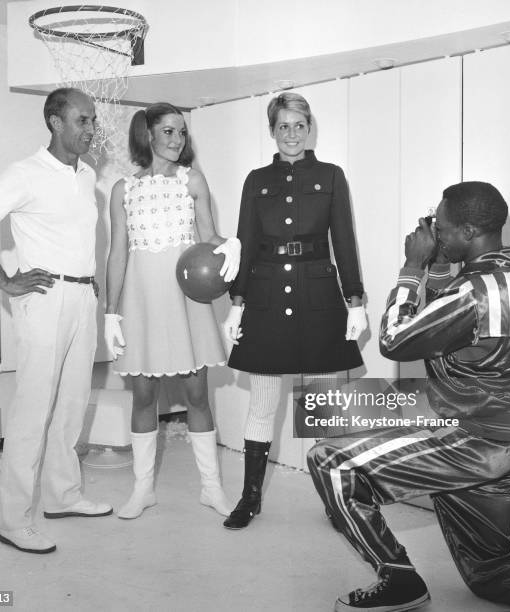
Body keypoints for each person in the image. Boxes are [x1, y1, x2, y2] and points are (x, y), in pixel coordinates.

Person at [307, 181, 510, 611]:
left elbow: (395, 341)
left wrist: (412, 267)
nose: (435, 231)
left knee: (331, 462)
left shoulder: (471, 294)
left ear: (471, 232)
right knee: (493, 575)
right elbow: (445, 327)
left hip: (474, 439)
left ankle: (400, 584)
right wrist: (440, 263)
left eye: (444, 226)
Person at [0, 88, 112, 555]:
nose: (91, 130)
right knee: (33, 410)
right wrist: (4, 280)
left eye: (92, 121)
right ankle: (13, 521)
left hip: (83, 295)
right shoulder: (25, 173)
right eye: (82, 121)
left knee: (72, 404)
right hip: (43, 299)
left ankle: (64, 496)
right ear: (55, 122)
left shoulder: (88, 178)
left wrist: (90, 284)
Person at [222, 92, 368, 529]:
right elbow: (244, 242)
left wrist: (355, 300)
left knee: (324, 406)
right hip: (267, 295)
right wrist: (236, 303)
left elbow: (343, 240)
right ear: (272, 131)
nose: (291, 134)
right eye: (282, 126)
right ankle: (250, 498)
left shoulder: (330, 175)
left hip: (319, 296)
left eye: (298, 125)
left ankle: (337, 500)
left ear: (310, 129)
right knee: (263, 404)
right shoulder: (256, 179)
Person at [104, 103, 240, 520]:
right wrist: (110, 312)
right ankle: (142, 489)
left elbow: (209, 235)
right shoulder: (123, 189)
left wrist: (230, 243)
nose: (177, 139)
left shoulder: (192, 180)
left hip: (185, 302)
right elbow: (118, 254)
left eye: (182, 132)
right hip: (140, 302)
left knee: (196, 394)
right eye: (168, 131)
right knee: (143, 397)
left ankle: (211, 488)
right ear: (147, 134)